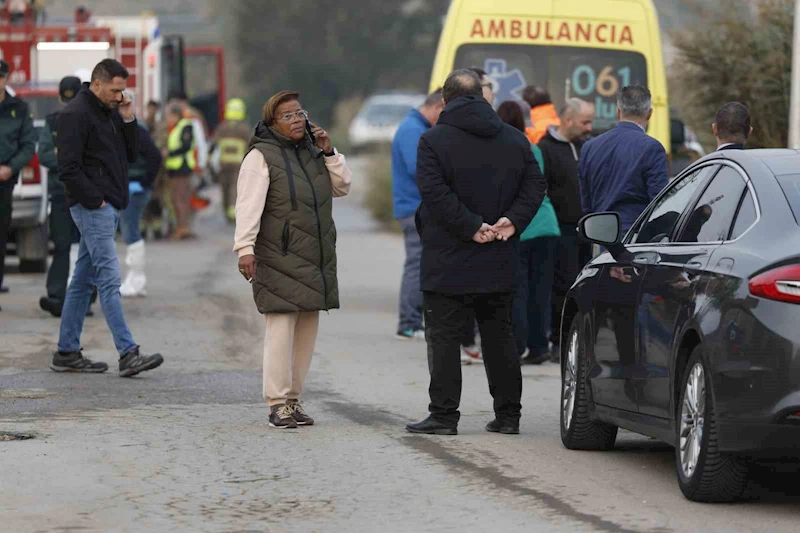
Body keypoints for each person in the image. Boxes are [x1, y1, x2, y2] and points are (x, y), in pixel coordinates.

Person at [405, 70, 545, 436]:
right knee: (500, 338)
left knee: (445, 339)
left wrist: (471, 226)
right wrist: (511, 222)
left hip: (447, 258)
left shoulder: (433, 141)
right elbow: (535, 185)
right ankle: (508, 416)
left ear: (445, 100)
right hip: (499, 254)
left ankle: (444, 416)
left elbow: (434, 193)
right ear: (484, 98)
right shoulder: (516, 140)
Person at [234, 90, 352, 429]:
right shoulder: (261, 156)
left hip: (314, 254)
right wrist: (245, 249)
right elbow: (248, 206)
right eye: (287, 115)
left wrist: (329, 151)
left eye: (299, 112)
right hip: (278, 253)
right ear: (273, 122)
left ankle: (294, 399)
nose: (297, 119)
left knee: (306, 330)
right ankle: (277, 402)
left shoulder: (315, 151)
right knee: (281, 328)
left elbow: (343, 186)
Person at [51, 58, 164, 377]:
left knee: (83, 281)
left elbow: (130, 155)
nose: (120, 96)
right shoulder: (74, 115)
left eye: (123, 91)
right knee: (109, 279)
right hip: (93, 208)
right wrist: (96, 201)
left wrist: (128, 120)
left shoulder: (111, 112)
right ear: (97, 84)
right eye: (115, 90)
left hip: (108, 204)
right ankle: (128, 353)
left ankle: (67, 351)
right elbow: (67, 169)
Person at [496, 100, 560, 366]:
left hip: (521, 227)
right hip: (547, 224)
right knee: (541, 290)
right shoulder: (533, 148)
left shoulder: (501, 149)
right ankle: (539, 345)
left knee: (519, 289)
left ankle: (518, 345)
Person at [538, 97, 594, 361]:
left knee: (582, 288)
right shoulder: (546, 148)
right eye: (585, 121)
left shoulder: (586, 147)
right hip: (560, 231)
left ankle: (576, 340)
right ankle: (557, 341)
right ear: (568, 120)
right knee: (561, 287)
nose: (588, 127)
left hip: (586, 230)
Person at [38, 76, 98, 318]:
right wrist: (73, 162)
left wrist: (63, 158)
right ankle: (57, 296)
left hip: (82, 193)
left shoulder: (91, 122)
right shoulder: (53, 122)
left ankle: (86, 298)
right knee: (64, 246)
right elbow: (44, 154)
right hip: (63, 193)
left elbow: (94, 157)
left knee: (85, 248)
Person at [579, 85, 668, 234]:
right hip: (636, 236)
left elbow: (586, 202)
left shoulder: (590, 146)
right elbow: (659, 201)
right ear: (650, 114)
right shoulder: (652, 148)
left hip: (602, 236)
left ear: (618, 112)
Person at [391, 88, 444, 341]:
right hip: (414, 208)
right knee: (417, 263)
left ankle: (412, 319)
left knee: (421, 262)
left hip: (414, 206)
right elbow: (418, 168)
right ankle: (409, 322)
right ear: (436, 107)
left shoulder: (415, 127)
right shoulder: (413, 130)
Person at [0, 58, 36, 311]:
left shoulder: (18, 109)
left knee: (0, 237)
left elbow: (27, 144)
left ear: (5, 79)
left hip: (4, 182)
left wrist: (11, 168)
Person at [119, 122, 162, 297]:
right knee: (129, 229)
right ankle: (134, 278)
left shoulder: (136, 131)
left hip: (135, 187)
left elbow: (155, 157)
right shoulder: (124, 128)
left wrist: (144, 182)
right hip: (128, 186)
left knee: (130, 230)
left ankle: (137, 279)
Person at [213, 97, 251, 223]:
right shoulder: (244, 129)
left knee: (224, 187)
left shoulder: (222, 127)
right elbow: (251, 145)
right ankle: (232, 210)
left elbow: (214, 143)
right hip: (239, 164)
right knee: (235, 187)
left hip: (223, 163)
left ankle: (227, 210)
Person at [163, 103, 196, 239]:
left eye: (169, 116)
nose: (167, 119)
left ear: (175, 115)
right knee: (177, 199)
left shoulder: (185, 126)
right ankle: (181, 227)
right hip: (174, 169)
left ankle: (183, 228)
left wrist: (169, 153)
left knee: (180, 199)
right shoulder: (176, 127)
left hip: (181, 168)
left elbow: (185, 146)